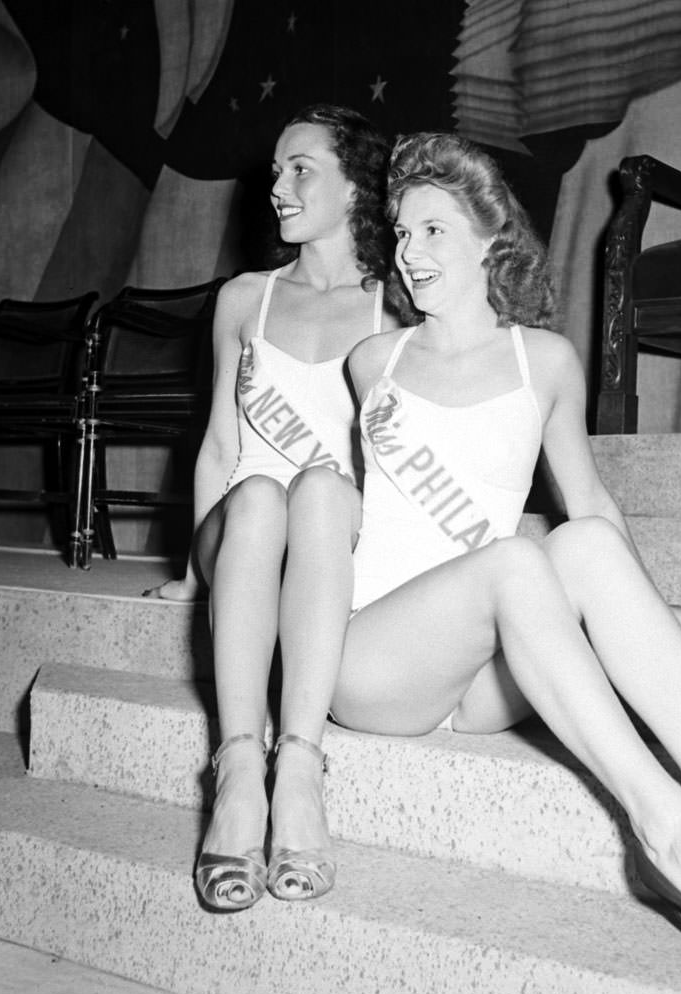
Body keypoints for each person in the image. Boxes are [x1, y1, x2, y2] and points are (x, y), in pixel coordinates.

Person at [288, 132, 681, 953]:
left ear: (492, 241)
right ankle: (666, 827)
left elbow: (590, 501)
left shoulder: (547, 363)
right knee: (520, 555)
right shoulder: (372, 361)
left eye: (433, 231)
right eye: (403, 232)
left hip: (486, 678)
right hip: (380, 660)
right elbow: (347, 510)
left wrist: (646, 607)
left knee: (585, 543)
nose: (410, 253)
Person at [148, 104, 400, 911]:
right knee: (258, 493)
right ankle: (237, 772)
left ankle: (299, 766)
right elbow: (221, 446)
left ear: (358, 187)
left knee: (323, 485)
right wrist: (194, 573)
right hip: (246, 527)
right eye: (276, 172)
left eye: (302, 170)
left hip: (331, 530)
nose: (279, 188)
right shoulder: (242, 300)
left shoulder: (392, 309)